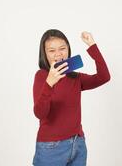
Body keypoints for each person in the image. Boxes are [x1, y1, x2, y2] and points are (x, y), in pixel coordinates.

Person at [32, 29, 111, 166]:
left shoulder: (75, 77)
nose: (58, 54)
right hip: (51, 148)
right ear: (44, 53)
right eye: (51, 50)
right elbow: (40, 113)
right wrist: (49, 84)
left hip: (78, 144)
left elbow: (104, 77)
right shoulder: (42, 76)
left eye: (62, 48)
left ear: (68, 49)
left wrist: (92, 46)